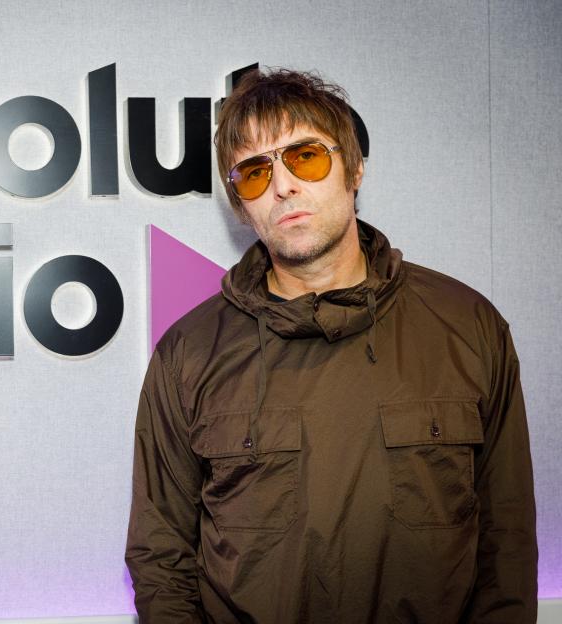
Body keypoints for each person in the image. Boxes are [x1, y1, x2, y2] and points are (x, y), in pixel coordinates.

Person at [125, 67, 537, 623]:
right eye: (254, 172)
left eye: (306, 157)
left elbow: (506, 542)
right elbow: (161, 559)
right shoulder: (188, 354)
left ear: (355, 168)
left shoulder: (467, 327)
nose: (283, 186)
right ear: (240, 204)